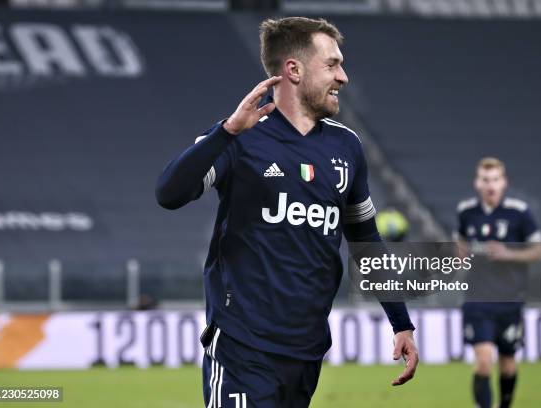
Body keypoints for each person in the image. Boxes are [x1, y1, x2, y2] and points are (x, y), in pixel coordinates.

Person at [156, 17, 418, 408]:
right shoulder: (240, 136)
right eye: (332, 64)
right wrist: (226, 132)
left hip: (307, 351)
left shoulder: (347, 147)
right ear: (293, 70)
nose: (343, 77)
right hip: (243, 345)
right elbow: (170, 193)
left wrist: (401, 322)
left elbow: (366, 242)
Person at [455, 157, 541, 408]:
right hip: (477, 300)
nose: (490, 185)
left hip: (510, 300)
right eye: (485, 180)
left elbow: (538, 251)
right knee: (484, 362)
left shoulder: (519, 212)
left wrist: (509, 253)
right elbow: (459, 244)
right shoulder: (466, 212)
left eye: (495, 179)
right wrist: (458, 255)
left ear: (504, 182)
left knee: (507, 364)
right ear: (477, 183)